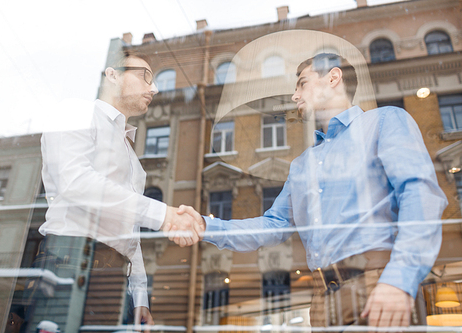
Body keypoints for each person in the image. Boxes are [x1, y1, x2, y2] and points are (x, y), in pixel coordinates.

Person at [177, 53, 447, 328]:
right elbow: (274, 224)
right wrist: (205, 226)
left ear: (333, 77)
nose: (295, 96)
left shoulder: (384, 121)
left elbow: (420, 194)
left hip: (378, 283)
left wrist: (400, 279)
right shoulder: (303, 164)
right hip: (322, 299)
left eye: (301, 84)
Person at [24, 50, 203, 330]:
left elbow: (128, 232)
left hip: (109, 279)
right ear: (112, 75)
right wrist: (164, 215)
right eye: (145, 76)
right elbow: (76, 182)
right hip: (69, 262)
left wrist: (139, 295)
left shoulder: (131, 157)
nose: (153, 88)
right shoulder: (75, 112)